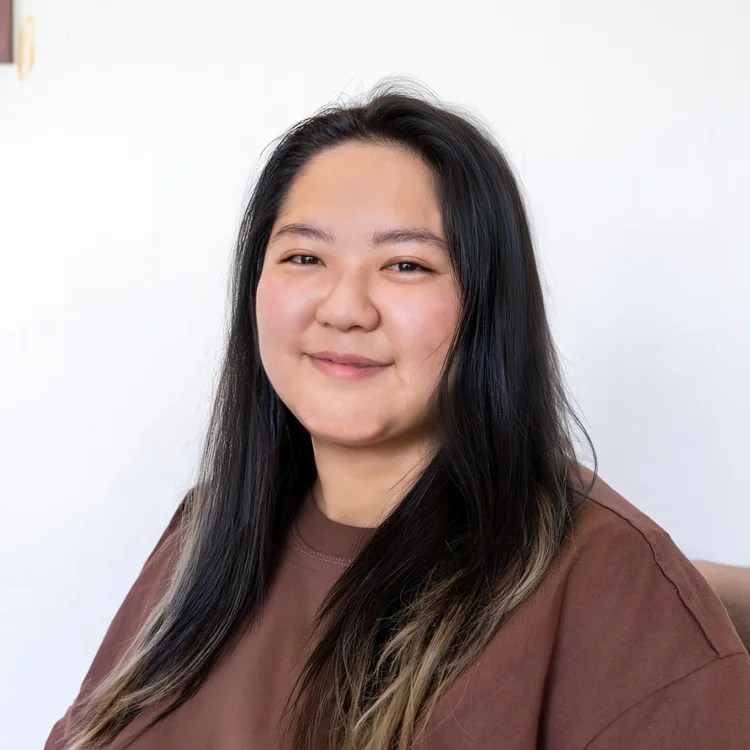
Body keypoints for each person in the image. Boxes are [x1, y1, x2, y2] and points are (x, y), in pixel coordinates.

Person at [45, 79, 750, 750]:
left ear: (486, 305)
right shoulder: (207, 532)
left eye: (406, 265)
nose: (345, 308)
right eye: (304, 256)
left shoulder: (615, 590)